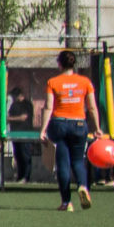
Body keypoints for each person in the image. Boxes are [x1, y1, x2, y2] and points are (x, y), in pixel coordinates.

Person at [41, 49, 100, 211]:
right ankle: (82, 186)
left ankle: (66, 202)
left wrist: (43, 129)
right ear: (74, 64)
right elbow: (92, 107)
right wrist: (98, 128)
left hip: (59, 124)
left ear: (60, 64)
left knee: (62, 164)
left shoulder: (53, 82)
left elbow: (48, 107)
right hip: (79, 125)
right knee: (78, 160)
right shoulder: (85, 82)